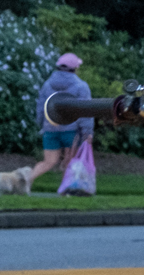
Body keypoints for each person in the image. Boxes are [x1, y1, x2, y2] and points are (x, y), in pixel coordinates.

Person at [15, 52, 95, 194]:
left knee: (48, 162)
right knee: (70, 163)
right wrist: (87, 132)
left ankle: (26, 180)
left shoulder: (47, 85)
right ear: (75, 68)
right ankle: (64, 191)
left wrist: (41, 123)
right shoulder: (81, 86)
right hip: (71, 130)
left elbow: (41, 106)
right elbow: (85, 111)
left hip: (50, 129)